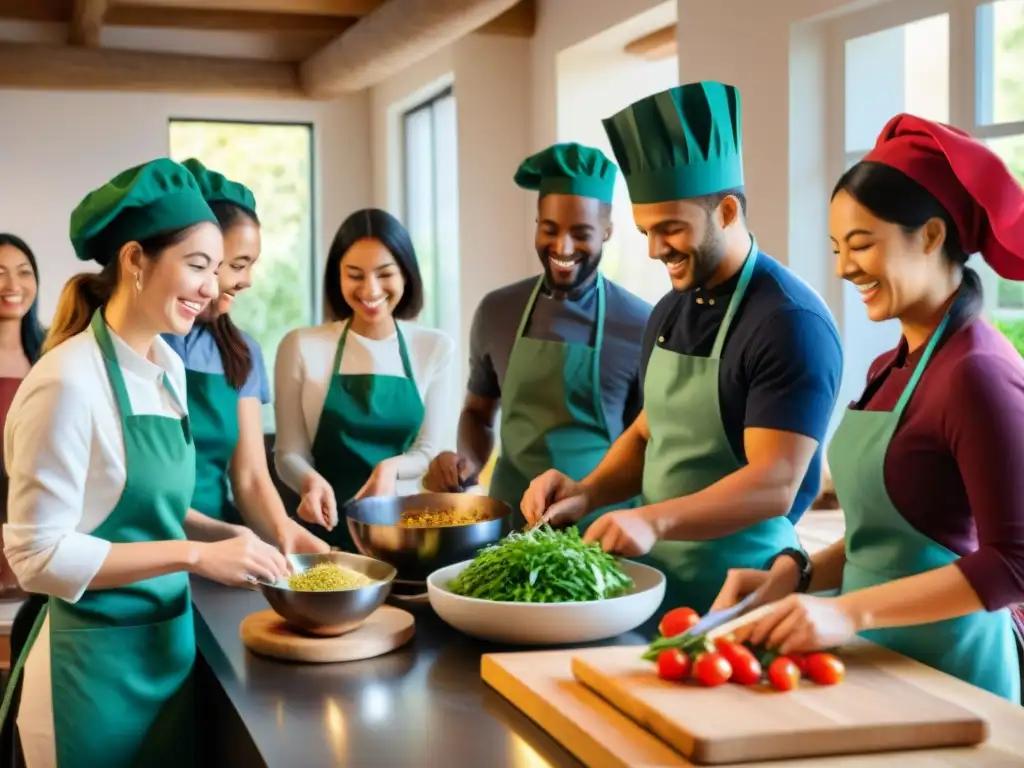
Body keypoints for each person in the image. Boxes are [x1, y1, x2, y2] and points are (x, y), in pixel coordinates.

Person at [710, 114, 1024, 703]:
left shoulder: (978, 372)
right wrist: (797, 574)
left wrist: (848, 613)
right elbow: (889, 541)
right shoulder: (891, 363)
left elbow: (1014, 565)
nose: (842, 267)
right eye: (836, 248)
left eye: (861, 244)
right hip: (881, 663)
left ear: (931, 236)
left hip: (957, 680)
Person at [0, 159, 290, 767]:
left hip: (165, 650)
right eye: (198, 265)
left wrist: (222, 531)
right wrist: (195, 554)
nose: (214, 288)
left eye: (218, 269)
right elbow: (36, 557)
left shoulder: (168, 366)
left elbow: (134, 504)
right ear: (135, 261)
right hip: (90, 671)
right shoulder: (67, 381)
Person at [522, 82, 844, 615]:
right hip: (657, 589)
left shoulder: (789, 321)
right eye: (646, 231)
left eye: (670, 228)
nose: (654, 250)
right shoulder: (672, 307)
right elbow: (653, 430)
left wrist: (652, 519)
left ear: (726, 211)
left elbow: (775, 484)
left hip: (745, 594)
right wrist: (588, 491)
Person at [422, 142, 652, 530]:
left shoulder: (640, 324)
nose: (562, 247)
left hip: (601, 534)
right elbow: (478, 413)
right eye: (550, 229)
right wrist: (468, 461)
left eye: (581, 233)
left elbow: (644, 443)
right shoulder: (497, 311)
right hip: (510, 526)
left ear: (608, 230)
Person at [163, 158, 327, 554]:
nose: (248, 280)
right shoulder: (134, 342)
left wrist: (287, 536)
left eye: (251, 266)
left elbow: (251, 478)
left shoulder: (242, 352)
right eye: (237, 265)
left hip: (219, 551)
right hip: (140, 547)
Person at [274, 208, 455, 550]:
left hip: (405, 532)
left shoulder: (433, 347)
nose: (370, 289)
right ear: (337, 278)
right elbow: (288, 453)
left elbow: (428, 450)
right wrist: (309, 483)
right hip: (323, 534)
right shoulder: (300, 345)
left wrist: (390, 468)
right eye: (354, 275)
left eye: (385, 274)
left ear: (406, 275)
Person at [0, 235, 45, 766]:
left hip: (35, 535)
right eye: (0, 273)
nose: (13, 285)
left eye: (24, 271)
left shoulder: (53, 353)